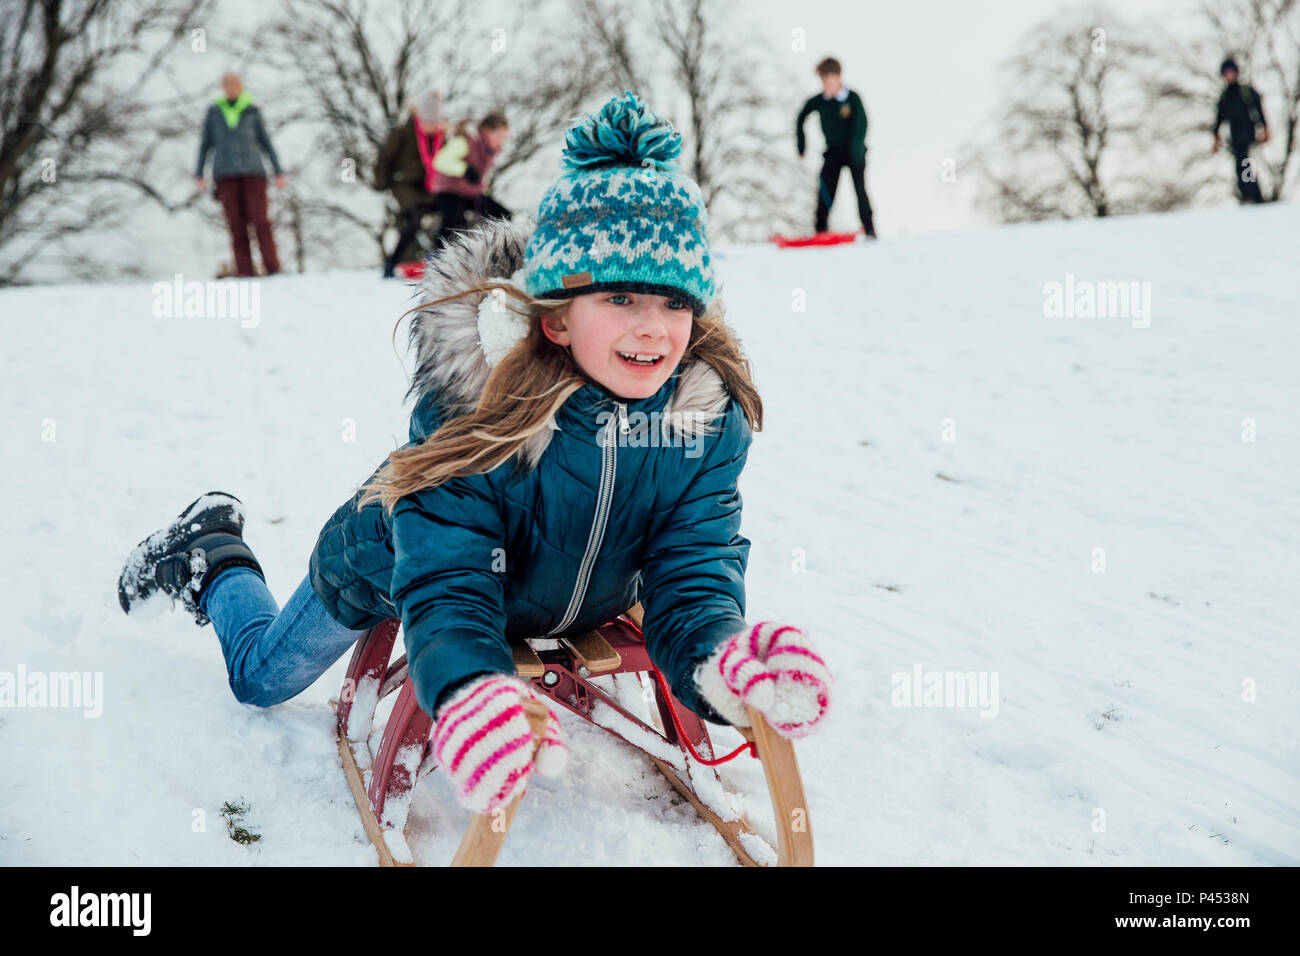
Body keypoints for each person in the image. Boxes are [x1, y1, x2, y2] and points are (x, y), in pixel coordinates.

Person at [118, 92, 833, 816]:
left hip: (560, 596)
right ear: (555, 318)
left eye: (676, 303)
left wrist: (721, 659)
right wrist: (468, 687)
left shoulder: (699, 424)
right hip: (390, 557)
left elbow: (692, 566)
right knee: (262, 679)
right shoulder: (479, 411)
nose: (654, 328)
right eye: (620, 299)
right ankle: (212, 553)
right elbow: (451, 581)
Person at [195, 72, 286, 276]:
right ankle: (244, 272)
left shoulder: (251, 111)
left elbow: (265, 142)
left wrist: (278, 170)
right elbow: (205, 145)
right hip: (225, 174)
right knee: (236, 224)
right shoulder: (214, 112)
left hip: (253, 172)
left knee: (260, 221)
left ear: (241, 86)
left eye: (235, 84)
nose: (232, 88)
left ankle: (273, 268)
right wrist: (199, 173)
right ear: (223, 88)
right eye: (228, 84)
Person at [796, 57, 875, 238]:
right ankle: (820, 230)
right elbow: (801, 117)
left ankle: (870, 229)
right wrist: (801, 145)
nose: (827, 85)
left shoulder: (852, 98)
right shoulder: (820, 101)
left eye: (829, 80)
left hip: (855, 152)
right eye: (823, 81)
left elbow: (861, 125)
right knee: (825, 189)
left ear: (839, 77)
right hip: (833, 152)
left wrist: (855, 151)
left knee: (860, 190)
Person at [375, 89, 448, 278]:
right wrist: (381, 183)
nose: (431, 126)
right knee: (414, 219)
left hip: (430, 186)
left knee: (449, 211)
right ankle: (393, 262)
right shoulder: (403, 133)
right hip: (404, 184)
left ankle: (438, 259)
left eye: (435, 122)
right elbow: (385, 158)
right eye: (428, 122)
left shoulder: (442, 136)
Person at [427, 111, 512, 251]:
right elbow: (439, 161)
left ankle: (500, 251)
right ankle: (434, 258)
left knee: (503, 215)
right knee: (452, 223)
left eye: (504, 137)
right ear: (486, 131)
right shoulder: (466, 141)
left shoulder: (488, 150)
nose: (501, 141)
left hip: (469, 193)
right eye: (498, 136)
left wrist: (482, 183)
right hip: (449, 190)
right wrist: (464, 169)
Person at [1212, 57, 1270, 203]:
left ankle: (1253, 196)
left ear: (1236, 73)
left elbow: (1258, 109)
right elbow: (1219, 117)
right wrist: (1216, 136)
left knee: (1245, 163)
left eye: (1231, 72)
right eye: (1226, 73)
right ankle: (1250, 195)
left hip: (1248, 133)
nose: (1229, 75)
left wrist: (1265, 127)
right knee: (1241, 165)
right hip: (1235, 136)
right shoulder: (1226, 96)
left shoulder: (1245, 92)